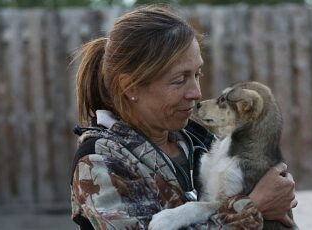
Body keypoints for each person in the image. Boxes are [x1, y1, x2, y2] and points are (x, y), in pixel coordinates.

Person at [70, 5, 297, 230]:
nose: (196, 92)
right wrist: (253, 207)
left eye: (197, 74)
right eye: (180, 79)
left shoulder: (199, 140)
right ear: (130, 87)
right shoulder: (100, 163)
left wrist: (277, 191)